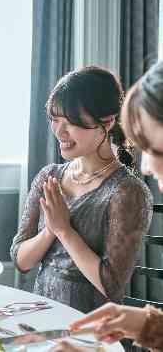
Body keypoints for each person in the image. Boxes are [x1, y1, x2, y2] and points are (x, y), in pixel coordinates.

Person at [10, 66, 153, 314]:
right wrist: (50, 232)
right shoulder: (48, 177)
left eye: (71, 123)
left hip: (90, 330)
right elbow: (21, 261)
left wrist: (65, 231)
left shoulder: (128, 192)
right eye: (55, 120)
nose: (59, 132)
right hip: (41, 319)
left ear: (106, 123)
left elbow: (111, 286)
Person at [51, 61, 163, 352]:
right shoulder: (53, 176)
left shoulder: (128, 191)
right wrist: (144, 325)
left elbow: (110, 282)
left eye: (156, 149)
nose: (147, 166)